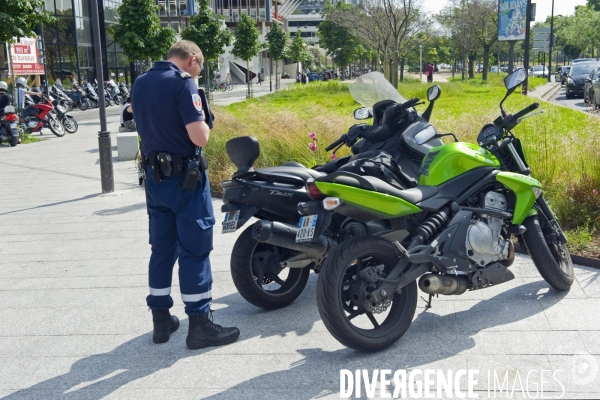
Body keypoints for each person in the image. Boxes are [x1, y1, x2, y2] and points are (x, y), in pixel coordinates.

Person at [131, 40, 240, 350]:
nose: (198, 72)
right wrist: (205, 116)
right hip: (186, 181)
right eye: (200, 67)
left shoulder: (141, 82)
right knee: (194, 249)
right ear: (193, 60)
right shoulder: (183, 83)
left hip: (155, 179)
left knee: (162, 248)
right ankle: (200, 325)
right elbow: (200, 137)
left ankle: (161, 320)